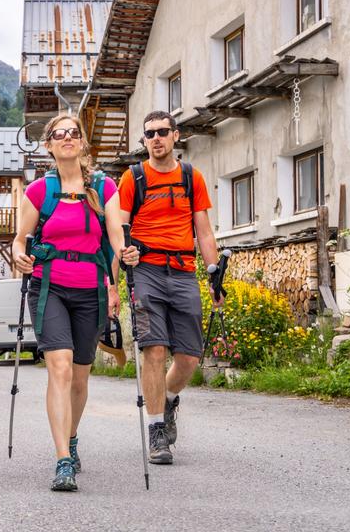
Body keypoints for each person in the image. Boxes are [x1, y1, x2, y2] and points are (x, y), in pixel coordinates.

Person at [12, 113, 132, 492]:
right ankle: (63, 458)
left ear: (82, 143)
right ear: (48, 145)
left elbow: (115, 234)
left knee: (80, 375)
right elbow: (20, 238)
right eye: (59, 134)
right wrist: (19, 254)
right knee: (60, 368)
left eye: (73, 133)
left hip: (91, 290)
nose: (67, 138)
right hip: (49, 288)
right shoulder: (39, 191)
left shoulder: (103, 187)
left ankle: (73, 435)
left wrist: (125, 254)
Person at [116, 110, 220, 465]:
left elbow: (203, 231)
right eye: (149, 134)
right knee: (154, 351)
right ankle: (157, 429)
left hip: (183, 271)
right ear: (144, 140)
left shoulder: (192, 177)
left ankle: (170, 400)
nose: (156, 138)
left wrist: (213, 272)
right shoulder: (133, 178)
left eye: (162, 132)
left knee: (190, 356)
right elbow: (120, 228)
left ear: (176, 136)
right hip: (146, 271)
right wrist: (117, 269)